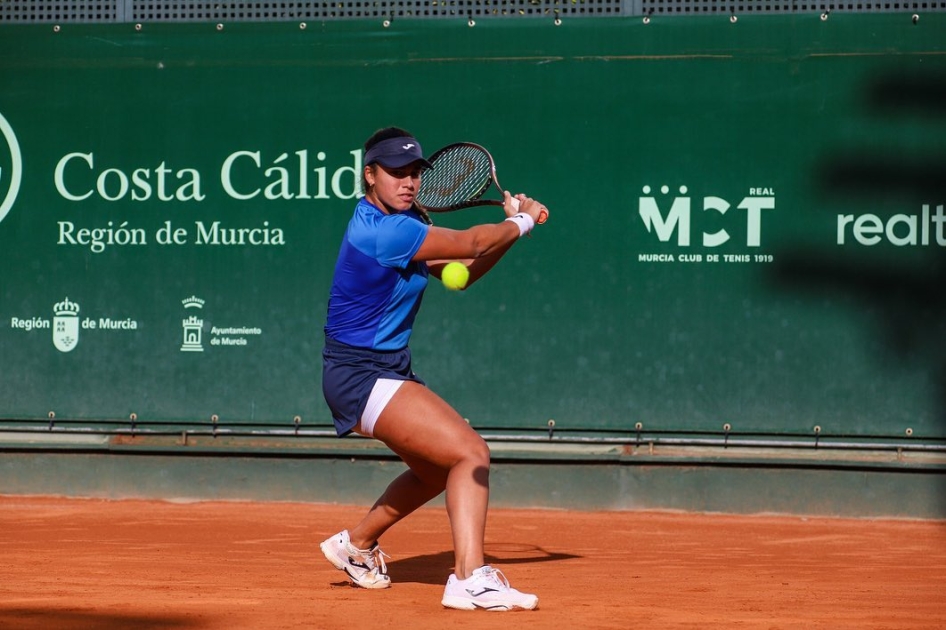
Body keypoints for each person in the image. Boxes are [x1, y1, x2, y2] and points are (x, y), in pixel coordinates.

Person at [318, 126, 548, 611]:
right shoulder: (385, 230)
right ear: (370, 175)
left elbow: (462, 272)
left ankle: (355, 546)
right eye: (396, 172)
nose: (408, 181)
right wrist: (522, 222)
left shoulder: (405, 224)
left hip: (377, 371)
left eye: (415, 173)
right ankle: (470, 578)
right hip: (361, 374)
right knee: (470, 454)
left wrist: (510, 232)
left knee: (434, 471)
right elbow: (469, 244)